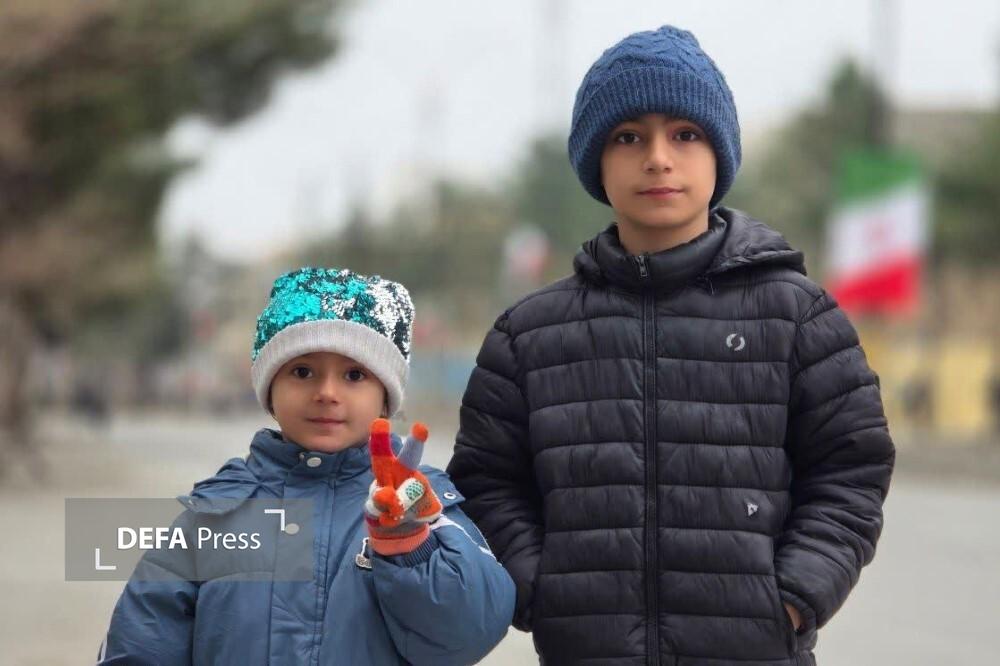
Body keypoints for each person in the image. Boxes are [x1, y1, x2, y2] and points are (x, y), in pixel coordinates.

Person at [448, 25, 894, 666]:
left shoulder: (798, 317)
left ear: (719, 154)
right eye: (629, 137)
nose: (658, 158)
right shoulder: (528, 336)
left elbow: (851, 472)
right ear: (596, 161)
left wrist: (792, 598)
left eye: (685, 134)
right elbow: (488, 483)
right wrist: (541, 591)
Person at [98, 267, 515, 665]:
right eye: (302, 371)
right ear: (270, 389)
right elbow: (139, 645)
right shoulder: (215, 516)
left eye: (354, 375)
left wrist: (410, 547)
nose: (327, 392)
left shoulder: (420, 503)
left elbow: (468, 633)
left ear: (385, 397)